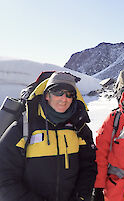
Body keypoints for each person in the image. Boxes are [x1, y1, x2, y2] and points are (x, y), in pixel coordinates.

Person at [0, 71, 97, 201]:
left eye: (69, 94)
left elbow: (88, 167)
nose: (64, 98)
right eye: (58, 92)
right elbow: (4, 177)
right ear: (47, 95)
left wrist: (81, 197)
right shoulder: (23, 128)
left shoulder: (79, 128)